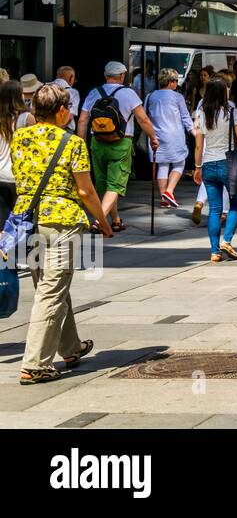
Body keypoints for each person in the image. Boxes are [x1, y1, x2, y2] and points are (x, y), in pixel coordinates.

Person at [14, 83, 111, 385]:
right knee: (51, 291)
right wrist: (102, 222)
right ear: (60, 111)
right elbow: (85, 189)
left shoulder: (19, 137)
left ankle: (70, 348)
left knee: (49, 286)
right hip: (61, 222)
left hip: (27, 221)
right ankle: (35, 365)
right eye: (67, 108)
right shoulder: (72, 143)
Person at [77, 61, 158, 232]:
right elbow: (142, 119)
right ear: (122, 76)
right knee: (115, 185)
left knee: (103, 184)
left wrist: (80, 144)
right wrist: (153, 137)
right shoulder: (128, 93)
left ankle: (116, 220)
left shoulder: (94, 93)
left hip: (97, 143)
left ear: (105, 75)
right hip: (121, 143)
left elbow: (83, 120)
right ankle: (99, 221)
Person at [192, 77, 237, 263]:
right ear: (224, 92)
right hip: (228, 163)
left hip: (208, 164)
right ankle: (227, 240)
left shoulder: (201, 113)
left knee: (214, 209)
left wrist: (197, 167)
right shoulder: (232, 112)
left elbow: (199, 146)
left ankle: (214, 252)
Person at [145, 68, 191, 209]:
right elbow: (185, 116)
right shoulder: (177, 97)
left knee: (162, 165)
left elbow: (145, 116)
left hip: (156, 136)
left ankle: (164, 198)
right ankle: (169, 192)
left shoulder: (150, 96)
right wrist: (192, 129)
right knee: (179, 163)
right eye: (176, 80)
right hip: (174, 135)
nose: (177, 83)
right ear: (171, 82)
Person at [0, 79, 30, 224]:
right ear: (19, 96)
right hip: (19, 174)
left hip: (0, 175)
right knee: (19, 222)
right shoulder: (27, 118)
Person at [51, 67, 79, 132]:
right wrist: (57, 130)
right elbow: (70, 116)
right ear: (71, 78)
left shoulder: (43, 88)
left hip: (45, 129)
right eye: (74, 79)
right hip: (65, 130)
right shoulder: (73, 92)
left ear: (57, 76)